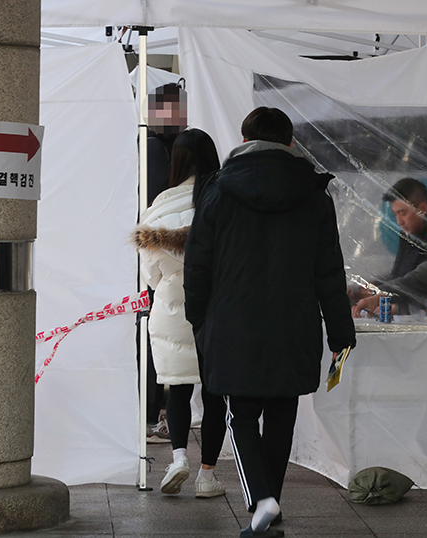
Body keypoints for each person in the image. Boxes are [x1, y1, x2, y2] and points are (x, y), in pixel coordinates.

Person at [184, 107, 356, 537]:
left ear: (245, 138)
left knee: (240, 412)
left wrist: (198, 319)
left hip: (231, 321)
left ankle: (261, 499)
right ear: (289, 141)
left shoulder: (219, 191)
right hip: (293, 322)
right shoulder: (315, 194)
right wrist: (340, 332)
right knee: (282, 412)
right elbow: (329, 272)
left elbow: (197, 263)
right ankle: (271, 505)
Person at [133, 128, 228, 498]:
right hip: (218, 305)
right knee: (217, 392)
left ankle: (177, 459)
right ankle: (207, 475)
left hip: (172, 305)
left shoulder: (159, 208)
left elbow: (151, 274)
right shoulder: (221, 199)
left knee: (177, 388)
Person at [143, 81, 189, 441]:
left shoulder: (164, 146)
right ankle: (151, 414)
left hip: (166, 257)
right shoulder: (157, 149)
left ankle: (155, 414)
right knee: (161, 339)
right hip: (166, 254)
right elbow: (159, 206)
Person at [348, 178, 427, 306]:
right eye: (395, 214)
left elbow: (416, 285)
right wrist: (368, 287)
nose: (399, 222)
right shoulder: (406, 235)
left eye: (402, 213)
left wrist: (380, 292)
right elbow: (397, 275)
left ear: (422, 209)